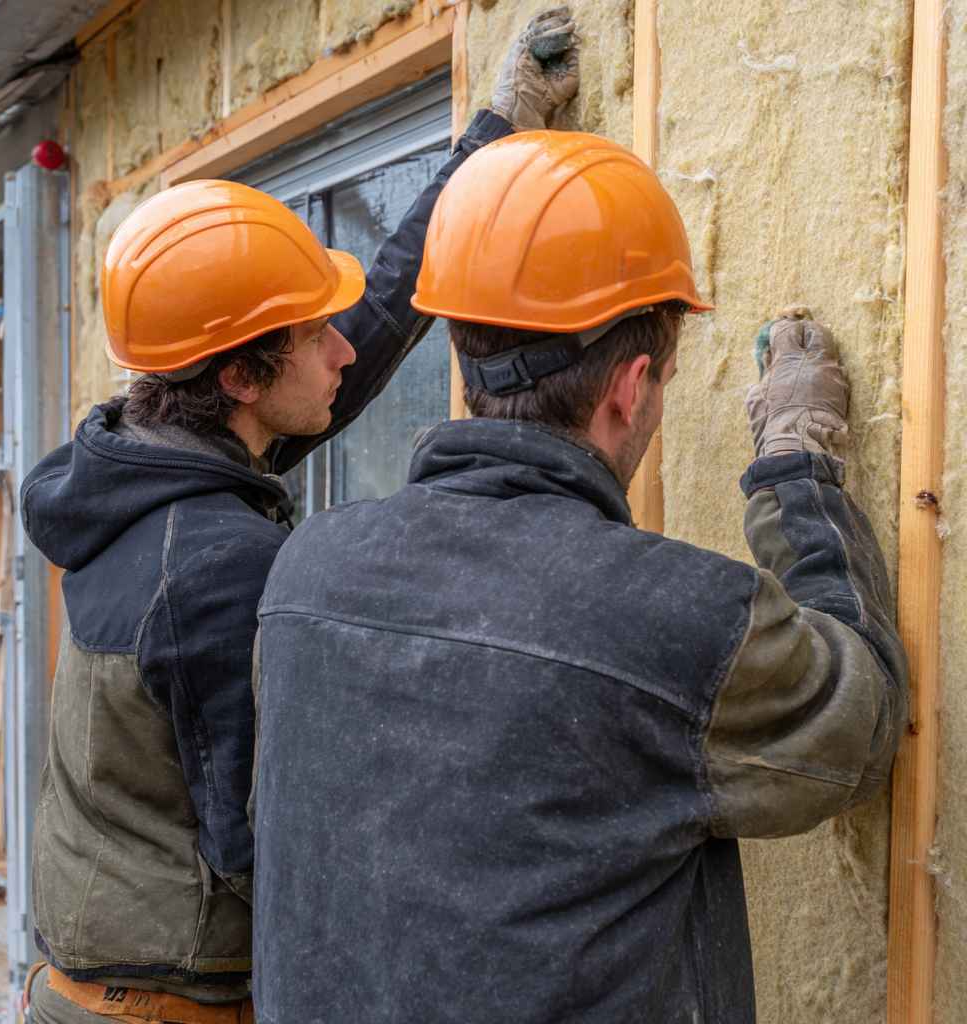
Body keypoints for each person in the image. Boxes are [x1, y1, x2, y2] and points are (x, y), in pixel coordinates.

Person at [251, 131, 909, 1023]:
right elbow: (856, 728)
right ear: (630, 387)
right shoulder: (679, 621)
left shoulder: (305, 574)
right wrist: (799, 469)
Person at [19, 11, 580, 1023]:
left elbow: (360, 333)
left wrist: (491, 133)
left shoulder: (135, 464)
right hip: (162, 1006)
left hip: (95, 972)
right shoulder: (212, 562)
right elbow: (261, 847)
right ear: (238, 376)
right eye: (310, 333)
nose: (341, 351)